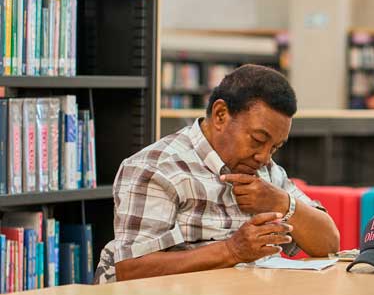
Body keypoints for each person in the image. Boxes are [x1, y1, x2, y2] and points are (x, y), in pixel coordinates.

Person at [94, 65, 340, 283]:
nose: (264, 157)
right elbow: (131, 269)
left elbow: (329, 245)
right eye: (257, 140)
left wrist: (282, 202)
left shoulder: (267, 172)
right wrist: (232, 251)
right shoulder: (157, 168)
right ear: (221, 115)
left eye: (275, 147)